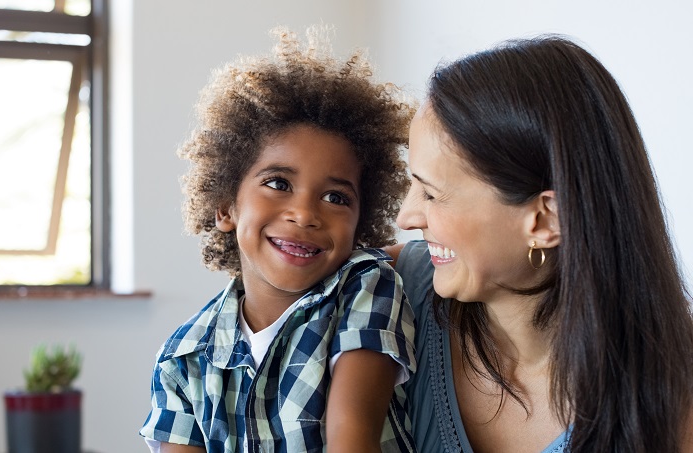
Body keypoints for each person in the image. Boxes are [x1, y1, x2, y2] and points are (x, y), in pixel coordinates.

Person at [388, 35, 693, 453]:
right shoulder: (391, 294)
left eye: (431, 193)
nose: (406, 218)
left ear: (546, 219)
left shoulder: (676, 396)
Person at [139, 26, 418, 453]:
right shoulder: (183, 357)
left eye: (335, 197)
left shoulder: (367, 285)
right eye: (278, 183)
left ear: (361, 223)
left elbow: (352, 437)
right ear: (226, 208)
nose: (305, 214)